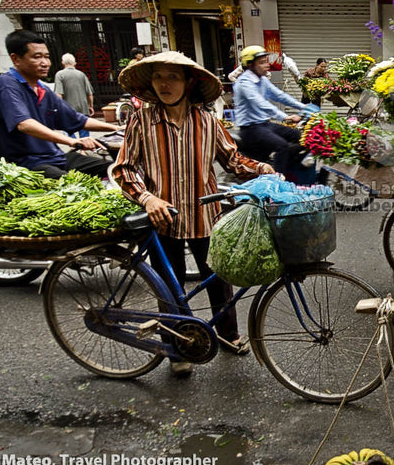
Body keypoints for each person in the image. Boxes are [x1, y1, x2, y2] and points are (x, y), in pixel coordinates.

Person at [114, 51, 275, 377]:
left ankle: (227, 335)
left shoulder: (206, 120)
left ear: (189, 82)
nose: (164, 84)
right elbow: (124, 169)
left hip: (206, 214)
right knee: (169, 288)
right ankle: (177, 347)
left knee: (219, 277)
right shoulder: (141, 120)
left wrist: (263, 169)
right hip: (163, 218)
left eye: (172, 77)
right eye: (158, 77)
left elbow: (232, 160)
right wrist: (147, 199)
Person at [0, 30, 119, 179]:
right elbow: (24, 123)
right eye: (37, 57)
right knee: (74, 185)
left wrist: (119, 129)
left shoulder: (42, 90)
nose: (45, 63)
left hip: (56, 158)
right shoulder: (6, 84)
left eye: (47, 57)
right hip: (26, 164)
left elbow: (78, 119)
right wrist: (72, 141)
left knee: (115, 170)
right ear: (16, 59)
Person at [233, 45, 311, 174]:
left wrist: (304, 107)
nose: (267, 65)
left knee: (299, 136)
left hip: (265, 125)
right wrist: (285, 117)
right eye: (262, 62)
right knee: (281, 146)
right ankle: (277, 181)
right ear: (251, 65)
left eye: (266, 61)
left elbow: (280, 96)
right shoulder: (244, 83)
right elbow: (261, 103)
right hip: (250, 129)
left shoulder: (262, 80)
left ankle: (292, 173)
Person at [53, 53, 95, 138]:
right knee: (84, 129)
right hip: (83, 107)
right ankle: (83, 150)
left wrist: (60, 109)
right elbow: (89, 94)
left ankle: (76, 146)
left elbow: (59, 94)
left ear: (63, 63)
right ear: (75, 63)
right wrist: (90, 106)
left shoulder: (60, 75)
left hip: (68, 108)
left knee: (68, 130)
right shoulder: (81, 74)